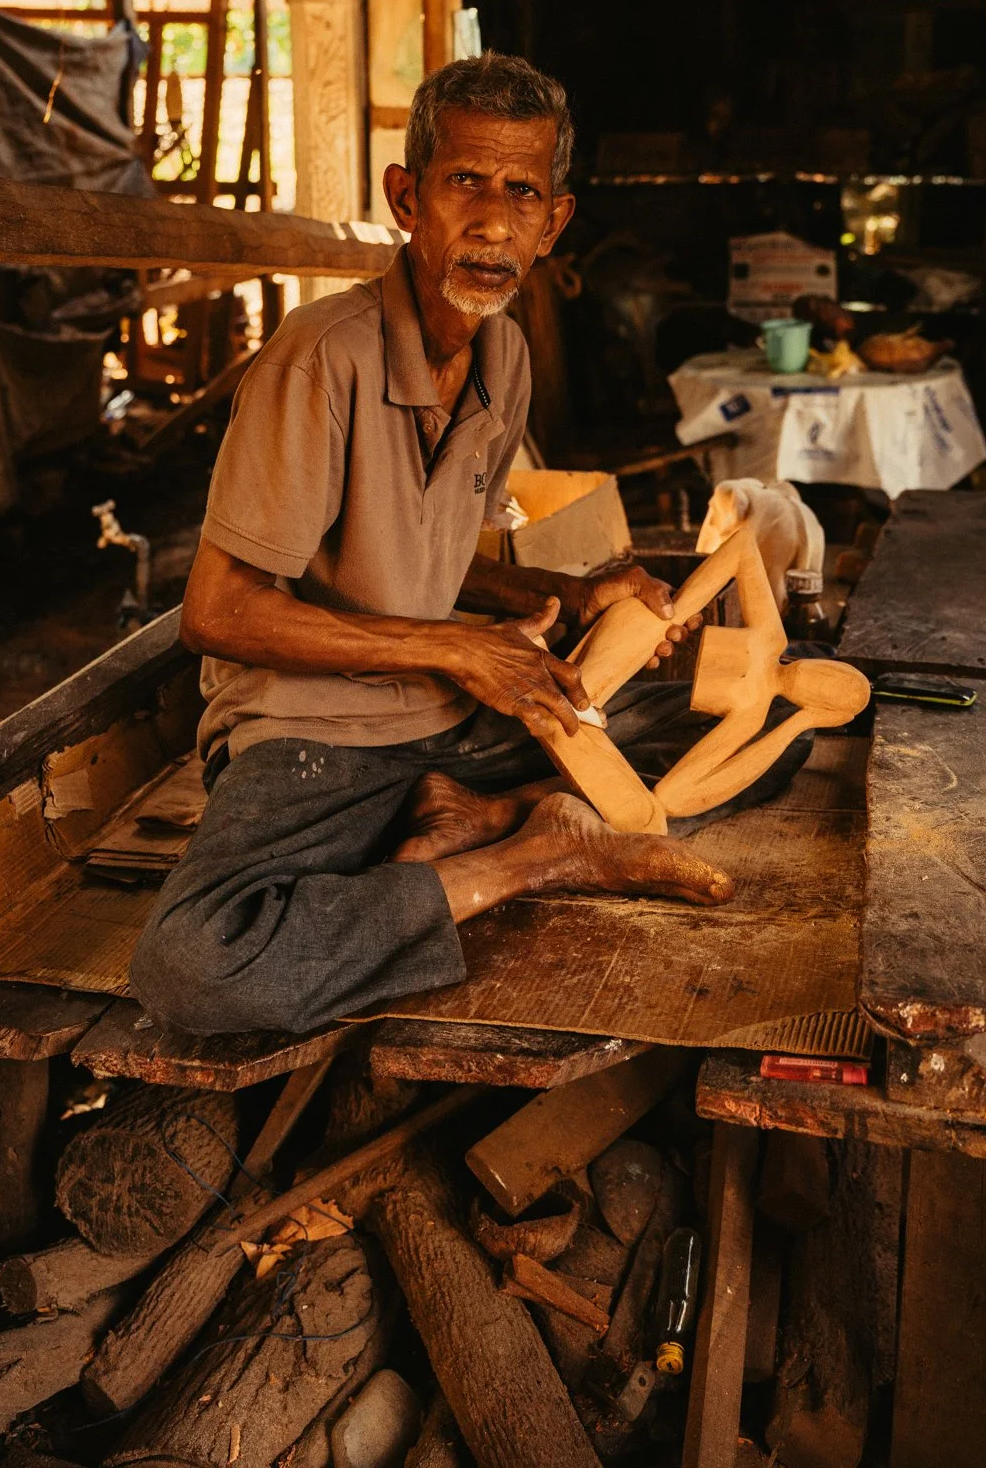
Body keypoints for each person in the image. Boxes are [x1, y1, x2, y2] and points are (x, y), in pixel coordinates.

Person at [131, 53, 732, 1036]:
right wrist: (455, 646)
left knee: (729, 720)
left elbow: (435, 551)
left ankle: (479, 811)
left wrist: (573, 597)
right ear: (406, 198)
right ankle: (532, 854)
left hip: (449, 722)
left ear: (555, 221)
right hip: (314, 735)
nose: (494, 220)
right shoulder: (320, 359)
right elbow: (218, 610)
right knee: (197, 967)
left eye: (523, 192)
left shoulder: (503, 353)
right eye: (465, 183)